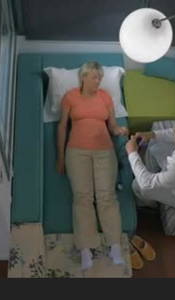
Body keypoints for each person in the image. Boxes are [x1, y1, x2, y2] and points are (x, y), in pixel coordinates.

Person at [57, 61, 129, 270]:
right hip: (76, 152)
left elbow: (113, 125)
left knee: (107, 197)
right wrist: (60, 157)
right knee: (82, 198)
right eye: (95, 77)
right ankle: (86, 249)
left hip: (104, 152)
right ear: (84, 76)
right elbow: (62, 127)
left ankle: (114, 246)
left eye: (100, 77)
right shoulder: (70, 96)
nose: (98, 81)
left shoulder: (105, 97)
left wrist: (120, 131)